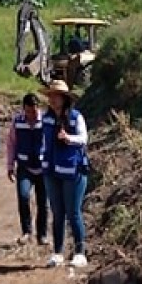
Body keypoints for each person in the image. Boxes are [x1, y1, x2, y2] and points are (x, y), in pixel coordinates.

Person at [40, 80, 89, 268]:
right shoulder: (46, 118)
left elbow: (83, 139)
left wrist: (68, 138)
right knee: (57, 212)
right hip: (52, 171)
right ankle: (58, 252)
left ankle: (79, 252)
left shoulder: (76, 118)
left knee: (73, 212)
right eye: (50, 95)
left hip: (73, 171)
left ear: (64, 98)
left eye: (55, 95)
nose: (51, 99)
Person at [6, 93, 48, 246]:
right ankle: (26, 232)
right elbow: (11, 144)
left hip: (43, 168)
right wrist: (10, 166)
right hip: (24, 167)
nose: (31, 114)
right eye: (29, 111)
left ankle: (42, 234)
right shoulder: (17, 122)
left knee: (43, 202)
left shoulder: (45, 121)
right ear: (24, 109)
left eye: (34, 110)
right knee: (23, 197)